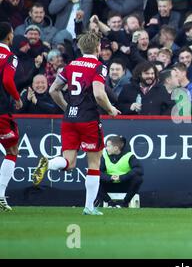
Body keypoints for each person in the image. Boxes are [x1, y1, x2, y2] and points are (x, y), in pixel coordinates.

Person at [32, 32, 121, 216]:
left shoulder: (71, 65)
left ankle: (48, 163)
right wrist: (111, 108)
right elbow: (98, 93)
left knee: (69, 163)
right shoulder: (99, 67)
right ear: (97, 48)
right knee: (94, 164)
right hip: (88, 119)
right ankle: (89, 207)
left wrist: (67, 108)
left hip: (70, 120)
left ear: (81, 48)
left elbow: (53, 90)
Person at [0, 22, 23, 211]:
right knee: (12, 150)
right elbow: (7, 80)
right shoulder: (9, 57)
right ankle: (0, 196)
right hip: (1, 111)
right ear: (9, 36)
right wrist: (17, 97)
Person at [98, 135, 143, 208]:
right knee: (93, 178)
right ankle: (109, 202)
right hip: (110, 184)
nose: (106, 148)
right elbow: (98, 172)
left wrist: (122, 177)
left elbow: (139, 170)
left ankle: (125, 203)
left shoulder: (129, 156)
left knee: (138, 179)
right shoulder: (104, 156)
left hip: (125, 184)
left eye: (108, 146)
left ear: (115, 148)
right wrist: (109, 177)